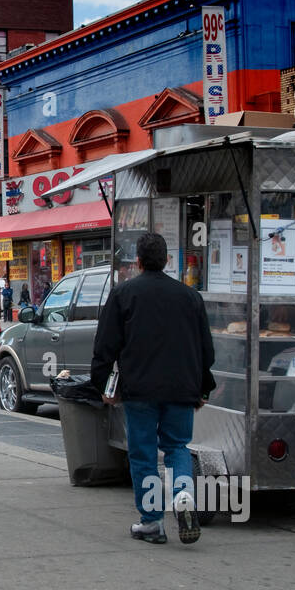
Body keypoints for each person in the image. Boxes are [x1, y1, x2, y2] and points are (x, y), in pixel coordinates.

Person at [90, 232, 214, 546]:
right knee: (177, 448)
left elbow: (106, 345)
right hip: (181, 389)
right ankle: (183, 495)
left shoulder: (124, 294)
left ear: (139, 262)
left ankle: (152, 522)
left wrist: (104, 384)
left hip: (139, 389)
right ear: (168, 260)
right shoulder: (190, 297)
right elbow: (205, 350)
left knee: (143, 454)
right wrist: (202, 389)